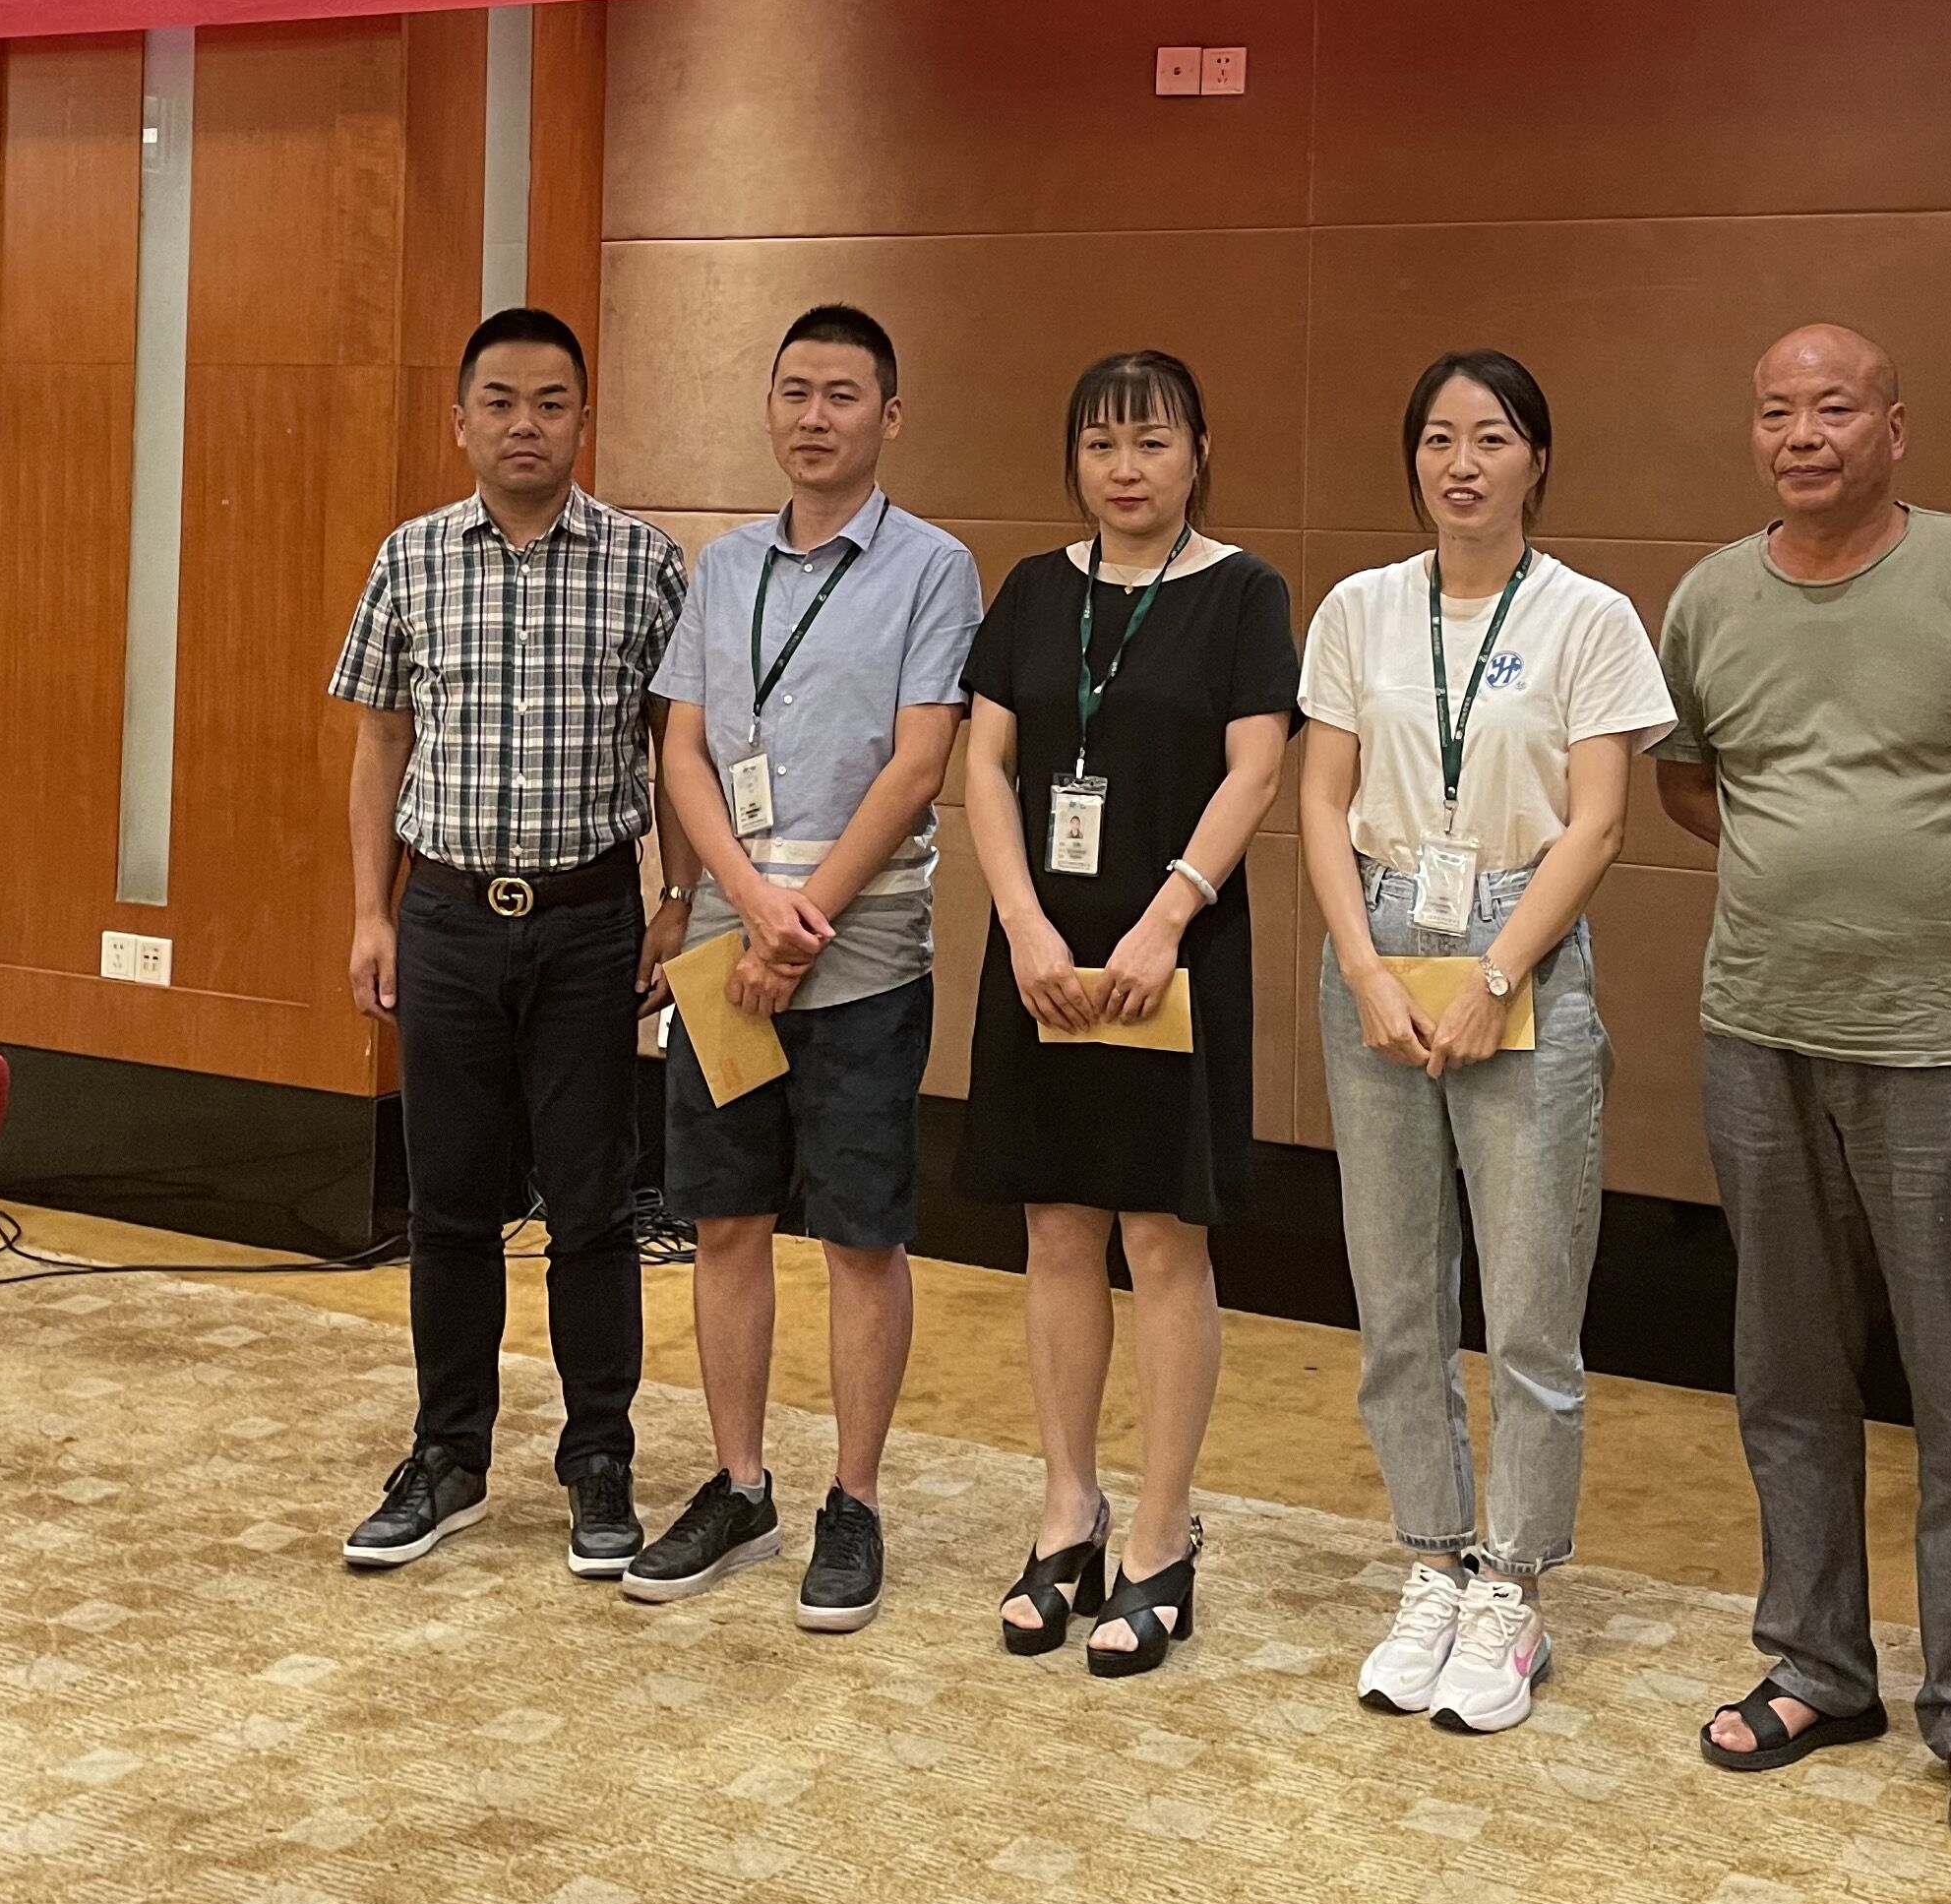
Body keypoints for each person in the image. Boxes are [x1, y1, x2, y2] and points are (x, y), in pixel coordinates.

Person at [1659, 323, 1951, 1844]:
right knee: (1787, 1365)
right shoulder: (1710, 596)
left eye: (1835, 407)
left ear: (1896, 428)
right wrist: (1806, 869)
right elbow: (1684, 777)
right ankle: (1817, 1666)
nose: (1803, 434)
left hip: (1945, 1042)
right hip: (1759, 1028)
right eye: (1775, 410)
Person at [1299, 349, 1674, 1737]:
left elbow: (1601, 820)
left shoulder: (1588, 615)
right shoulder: (1359, 608)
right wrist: (1363, 966)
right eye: (1439, 439)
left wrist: (1497, 973)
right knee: (1397, 1293)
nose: (1463, 464)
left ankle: (1513, 1584)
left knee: (1527, 1304)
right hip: (1381, 943)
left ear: (1537, 460)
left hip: (1526, 946)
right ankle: (1432, 1560)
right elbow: (1321, 800)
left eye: (1494, 438)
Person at [627, 303, 982, 1634]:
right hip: (730, 940)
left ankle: (855, 1496)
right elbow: (682, 749)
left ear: (889, 416)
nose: (814, 416)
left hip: (864, 943)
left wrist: (801, 918)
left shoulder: (933, 568)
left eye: (842, 395)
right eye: (794, 391)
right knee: (724, 1218)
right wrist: (743, 902)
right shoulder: (724, 568)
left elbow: (920, 761)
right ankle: (739, 1483)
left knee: (859, 1233)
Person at [327, 307, 690, 1578]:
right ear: (460, 420)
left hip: (592, 922)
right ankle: (448, 1456)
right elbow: (380, 742)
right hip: (443, 920)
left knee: (593, 1204)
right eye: (500, 402)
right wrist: (370, 912)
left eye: (550, 403)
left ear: (584, 419)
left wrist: (679, 900)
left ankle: (599, 1460)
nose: (524, 425)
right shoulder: (411, 558)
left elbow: (679, 746)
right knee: (448, 1201)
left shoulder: (646, 564)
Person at [958, 351, 1299, 1675]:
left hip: (1176, 952)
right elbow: (986, 766)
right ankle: (1068, 1512)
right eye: (1101, 444)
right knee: (1056, 1229)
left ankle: (1161, 1535)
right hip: (1043, 955)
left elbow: (1254, 771)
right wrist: (1024, 926)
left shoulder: (1244, 592)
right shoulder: (1033, 591)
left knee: (1161, 1238)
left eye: (1152, 442)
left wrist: (1164, 920)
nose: (1126, 468)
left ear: (1199, 450)